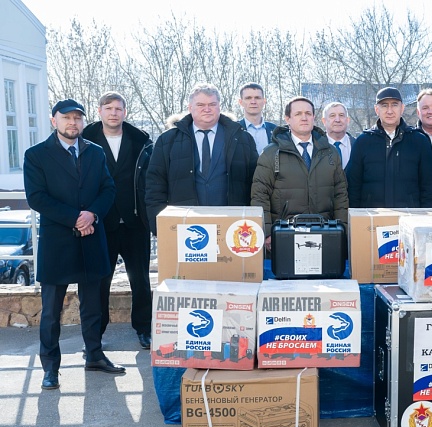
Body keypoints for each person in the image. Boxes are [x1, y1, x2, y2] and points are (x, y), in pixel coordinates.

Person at [24, 99, 124, 390]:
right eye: (66, 117)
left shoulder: (95, 152)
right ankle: (50, 368)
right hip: (58, 243)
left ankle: (94, 355)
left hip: (92, 239)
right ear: (53, 120)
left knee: (93, 306)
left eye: (77, 118)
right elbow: (37, 198)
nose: (73, 123)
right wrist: (75, 218)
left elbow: (108, 188)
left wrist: (92, 214)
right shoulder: (36, 155)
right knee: (51, 313)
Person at [82, 92, 153, 350]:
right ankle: (96, 335)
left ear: (125, 112)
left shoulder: (140, 140)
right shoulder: (85, 139)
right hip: (100, 223)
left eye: (118, 108)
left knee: (141, 281)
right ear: (99, 111)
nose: (114, 113)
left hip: (136, 222)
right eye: (108, 108)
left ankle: (144, 329)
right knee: (100, 281)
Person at [145, 83, 259, 235]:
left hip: (232, 226)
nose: (207, 109)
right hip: (184, 227)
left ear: (219, 106)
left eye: (212, 104)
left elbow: (256, 184)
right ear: (190, 107)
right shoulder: (168, 141)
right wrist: (159, 225)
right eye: (200, 105)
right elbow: (155, 185)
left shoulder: (242, 139)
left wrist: (256, 222)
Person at [251, 97, 348, 251]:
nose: (304, 117)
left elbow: (340, 194)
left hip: (325, 233)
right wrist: (266, 231)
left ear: (314, 118)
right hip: (285, 235)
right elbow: (259, 195)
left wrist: (343, 229)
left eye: (308, 113)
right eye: (298, 114)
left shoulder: (330, 152)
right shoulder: (271, 153)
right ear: (287, 119)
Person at [346, 87, 432, 207]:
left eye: (394, 105)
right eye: (384, 105)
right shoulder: (362, 142)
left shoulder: (419, 141)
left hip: (410, 217)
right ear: (376, 109)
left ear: (402, 108)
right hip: (373, 218)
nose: (389, 111)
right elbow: (353, 187)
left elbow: (429, 187)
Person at [237, 82, 277, 155]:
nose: (253, 102)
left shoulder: (276, 131)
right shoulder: (234, 130)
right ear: (240, 102)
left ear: (264, 101)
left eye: (257, 98)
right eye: (248, 98)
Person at [321, 102, 355, 170]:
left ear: (347, 120)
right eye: (332, 116)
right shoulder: (315, 147)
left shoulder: (358, 145)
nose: (337, 120)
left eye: (341, 115)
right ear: (324, 121)